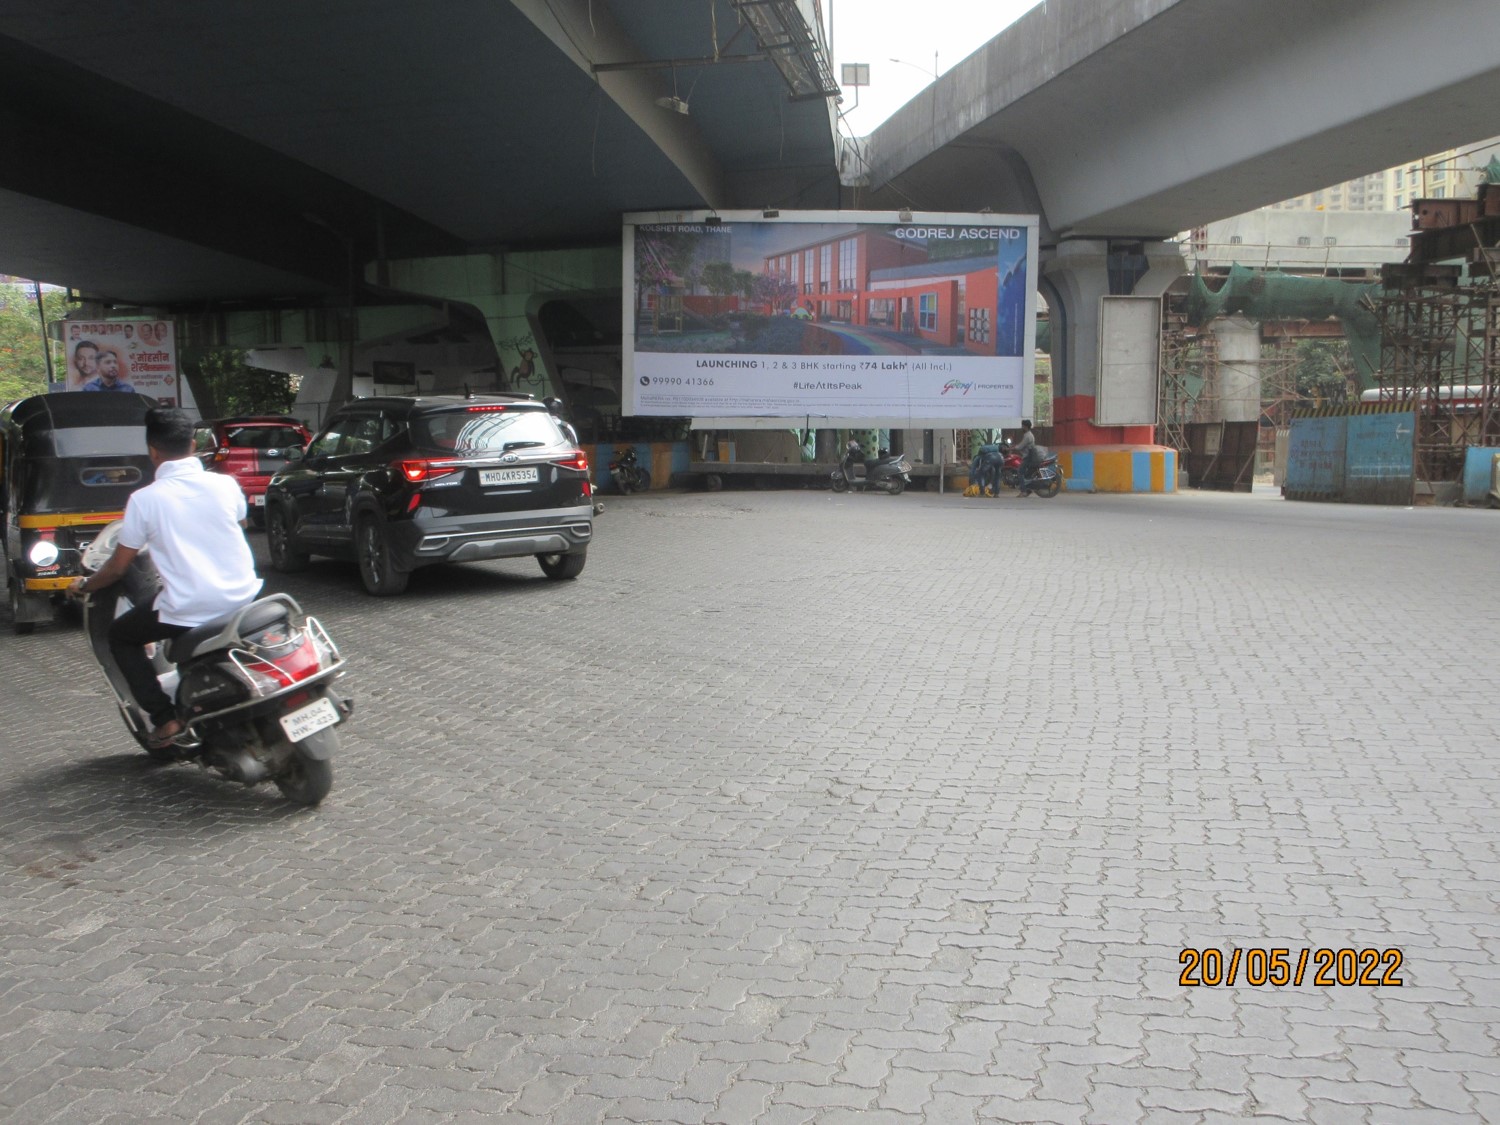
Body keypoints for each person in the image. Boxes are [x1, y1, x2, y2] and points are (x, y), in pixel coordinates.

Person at [69, 408, 262, 749]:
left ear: (153, 452)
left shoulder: (144, 501)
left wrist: (83, 585)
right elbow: (239, 528)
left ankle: (165, 719)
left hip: (191, 609)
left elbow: (117, 567)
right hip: (245, 597)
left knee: (121, 636)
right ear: (192, 443)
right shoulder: (226, 484)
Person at [1013, 419, 1040, 496]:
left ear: (1025, 427)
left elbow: (1020, 446)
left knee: (1020, 472)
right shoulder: (1030, 434)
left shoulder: (1027, 436)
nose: (1022, 427)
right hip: (1029, 456)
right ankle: (1028, 489)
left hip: (1028, 456)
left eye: (1023, 426)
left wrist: (1013, 448)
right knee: (1026, 474)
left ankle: (1023, 491)